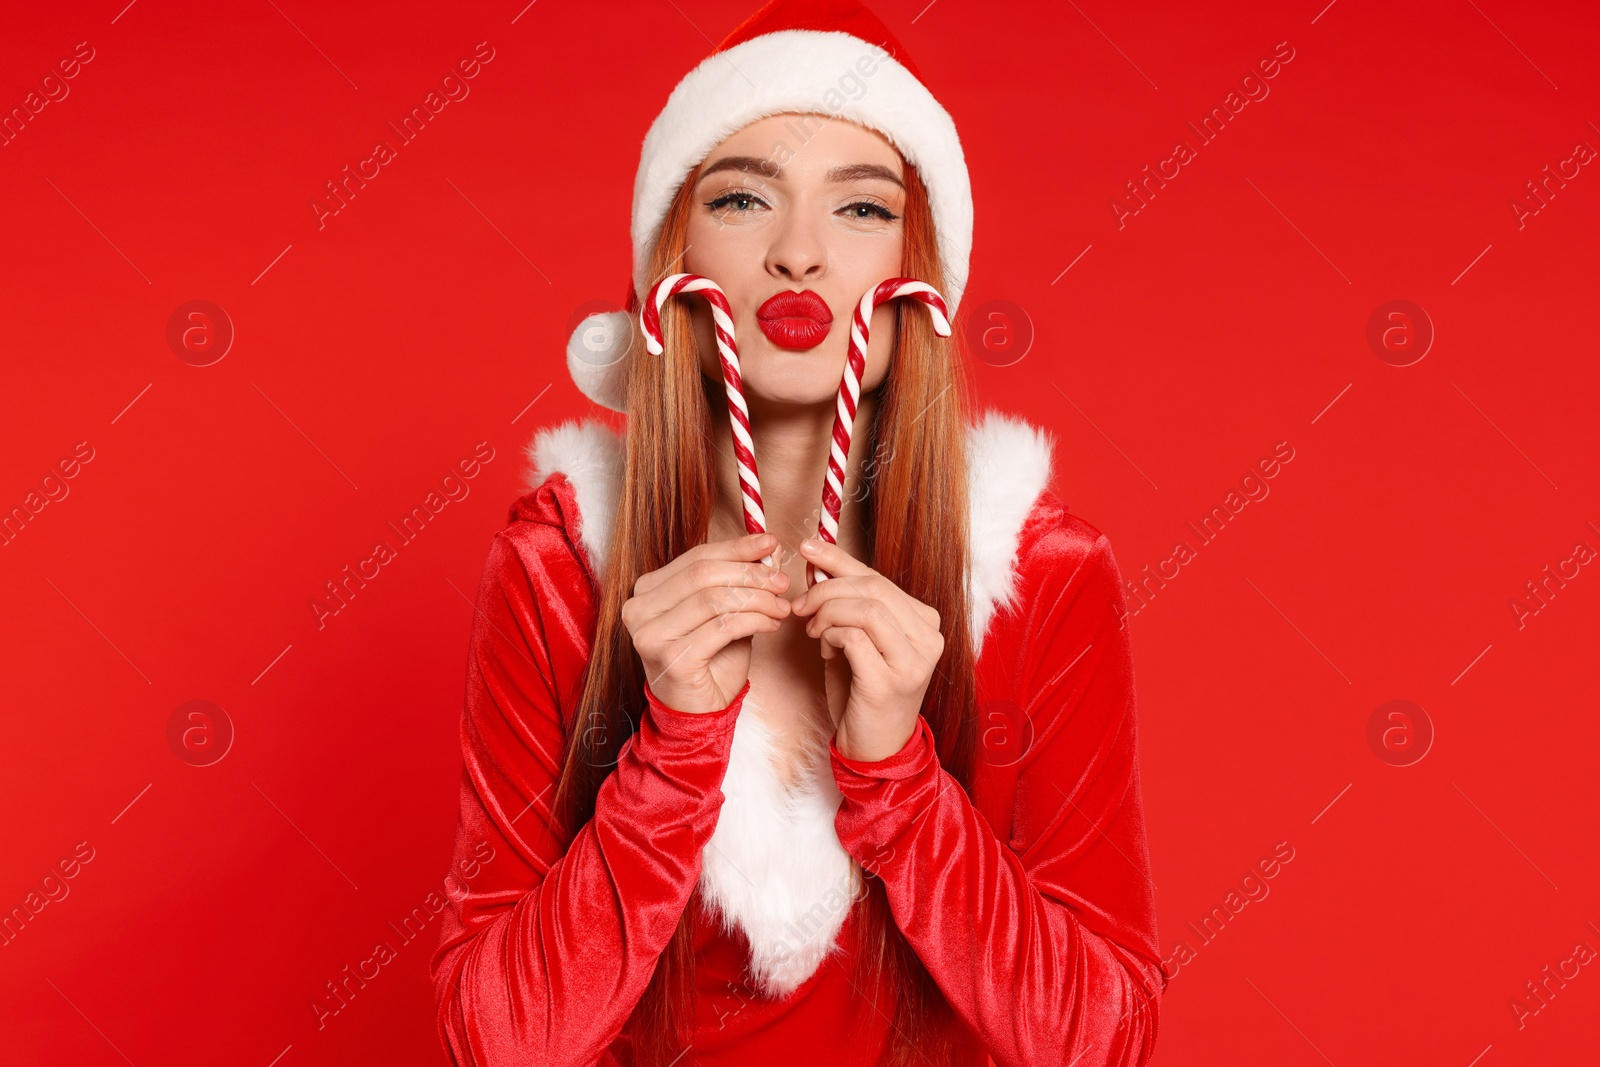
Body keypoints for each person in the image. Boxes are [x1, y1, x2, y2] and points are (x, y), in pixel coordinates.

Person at [429, 2, 1164, 1065]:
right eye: (741, 198)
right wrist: (672, 753)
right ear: (673, 262)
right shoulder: (556, 572)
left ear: (919, 277)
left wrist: (901, 781)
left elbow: (1107, 1039)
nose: (798, 255)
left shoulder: (1043, 576)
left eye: (860, 209)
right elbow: (492, 1043)